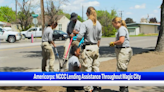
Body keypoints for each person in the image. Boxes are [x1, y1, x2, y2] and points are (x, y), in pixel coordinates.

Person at [77, 6, 102, 92]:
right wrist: (97, 47)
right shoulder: (98, 24)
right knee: (96, 67)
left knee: (87, 68)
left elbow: (80, 36)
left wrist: (76, 41)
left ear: (87, 13)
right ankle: (97, 86)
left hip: (88, 47)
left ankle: (88, 88)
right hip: (95, 47)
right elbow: (99, 38)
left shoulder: (85, 23)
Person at [109, 17, 133, 92]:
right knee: (122, 69)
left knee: (121, 69)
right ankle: (123, 87)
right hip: (123, 50)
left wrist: (114, 43)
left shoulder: (121, 29)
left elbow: (121, 40)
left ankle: (124, 87)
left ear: (117, 23)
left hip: (123, 50)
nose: (114, 27)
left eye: (114, 25)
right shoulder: (123, 28)